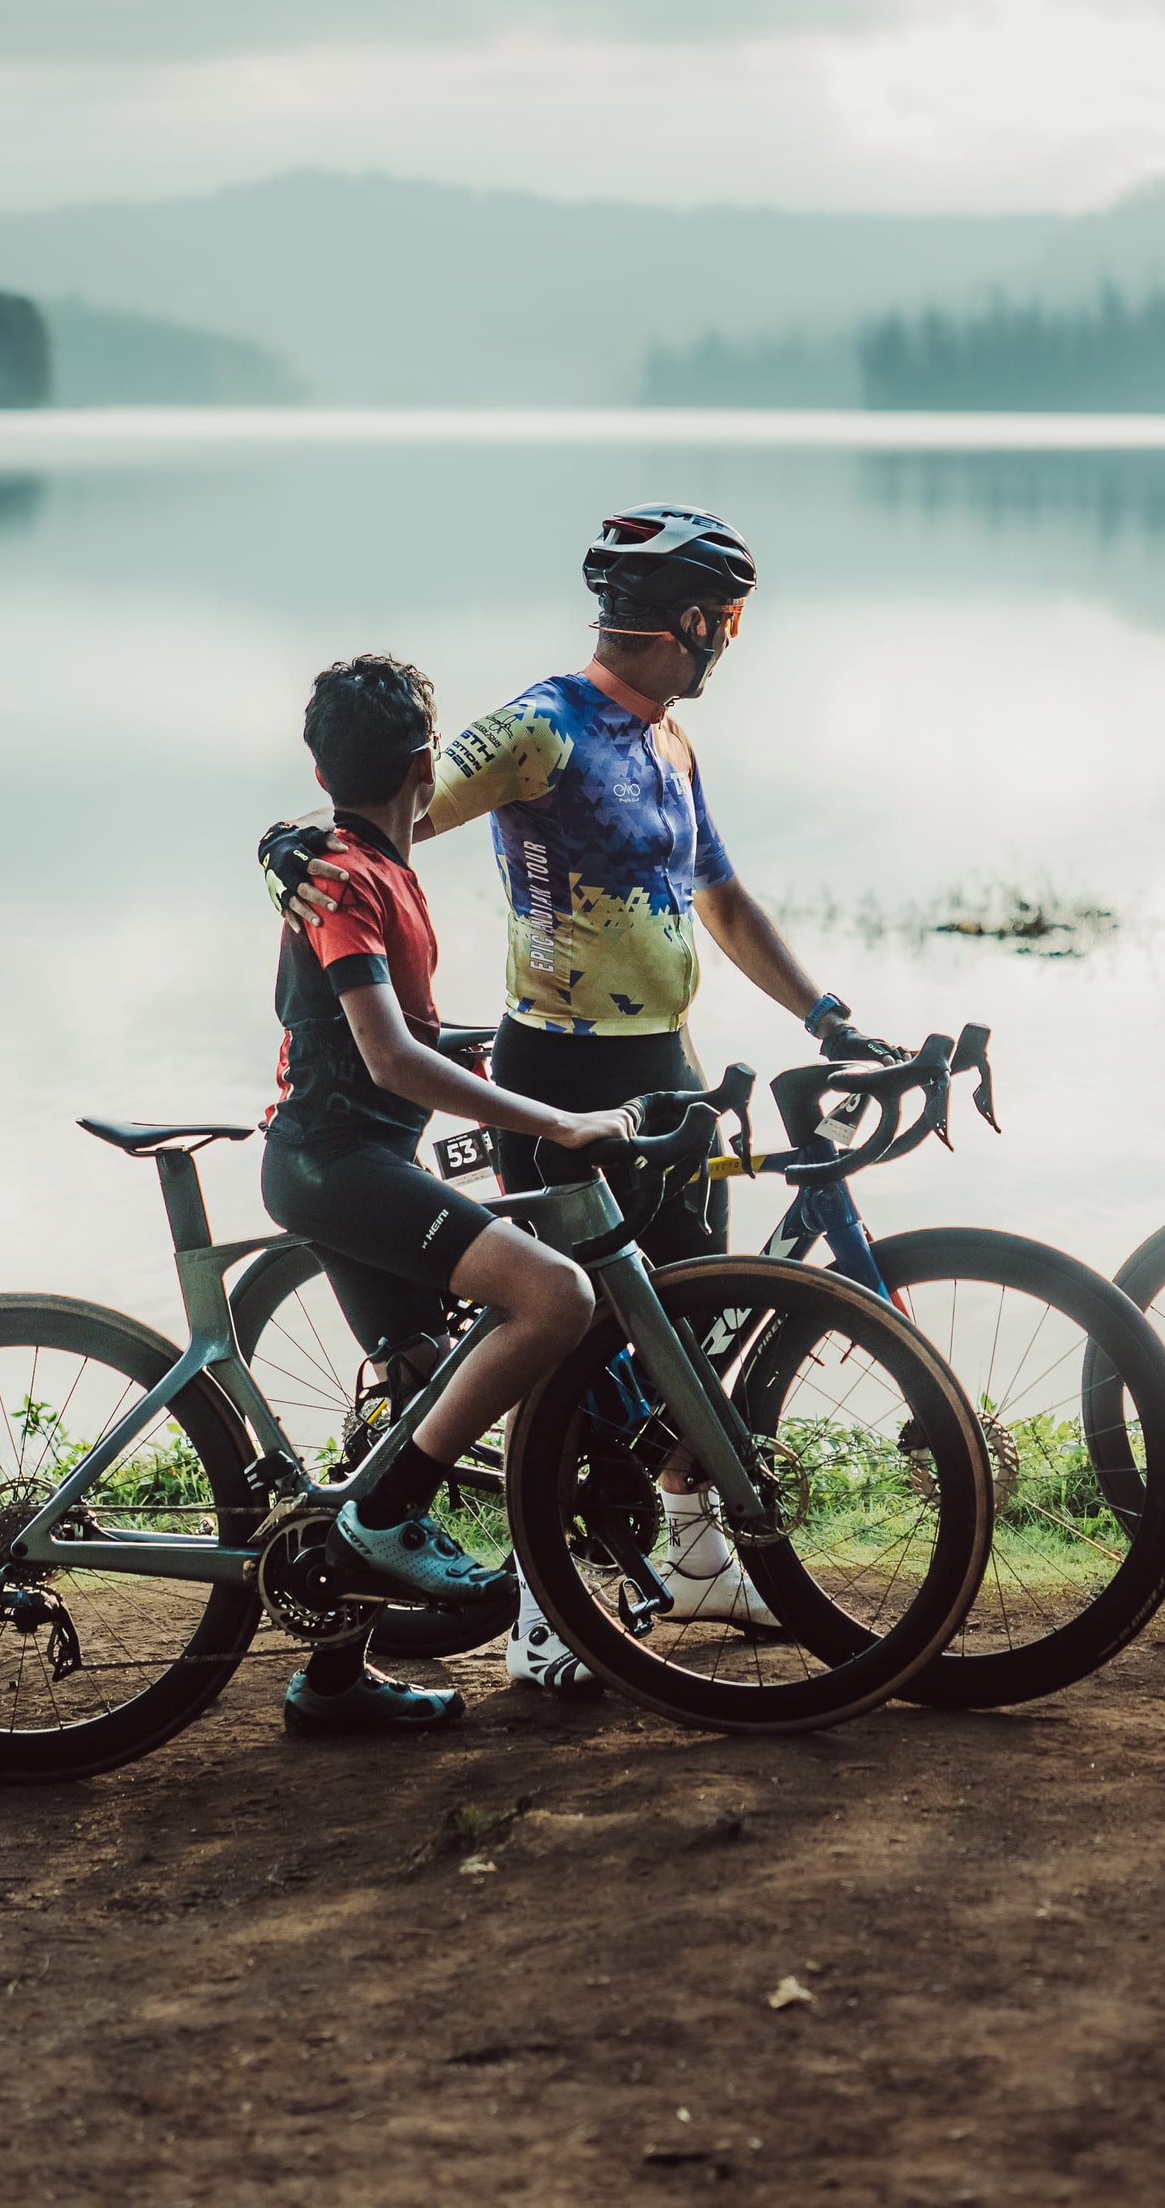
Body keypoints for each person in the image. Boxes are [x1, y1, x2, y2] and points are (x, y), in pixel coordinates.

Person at [262, 509, 899, 1696]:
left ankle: (701, 1559)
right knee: (572, 1343)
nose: (730, 644)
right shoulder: (546, 722)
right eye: (726, 621)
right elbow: (393, 807)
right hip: (557, 1072)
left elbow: (724, 899)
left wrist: (823, 1014)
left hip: (666, 1067)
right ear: (693, 623)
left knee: (685, 1337)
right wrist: (285, 846)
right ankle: (548, 1612)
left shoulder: (671, 748)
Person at [259, 652, 639, 1735]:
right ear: (428, 763)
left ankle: (331, 1681)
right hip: (343, 1163)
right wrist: (553, 1119)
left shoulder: (355, 858)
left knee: (422, 1388)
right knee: (553, 1298)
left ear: (320, 761)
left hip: (353, 1161)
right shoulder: (343, 872)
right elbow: (387, 1058)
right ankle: (386, 1519)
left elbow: (402, 1031)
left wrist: (499, 1057)